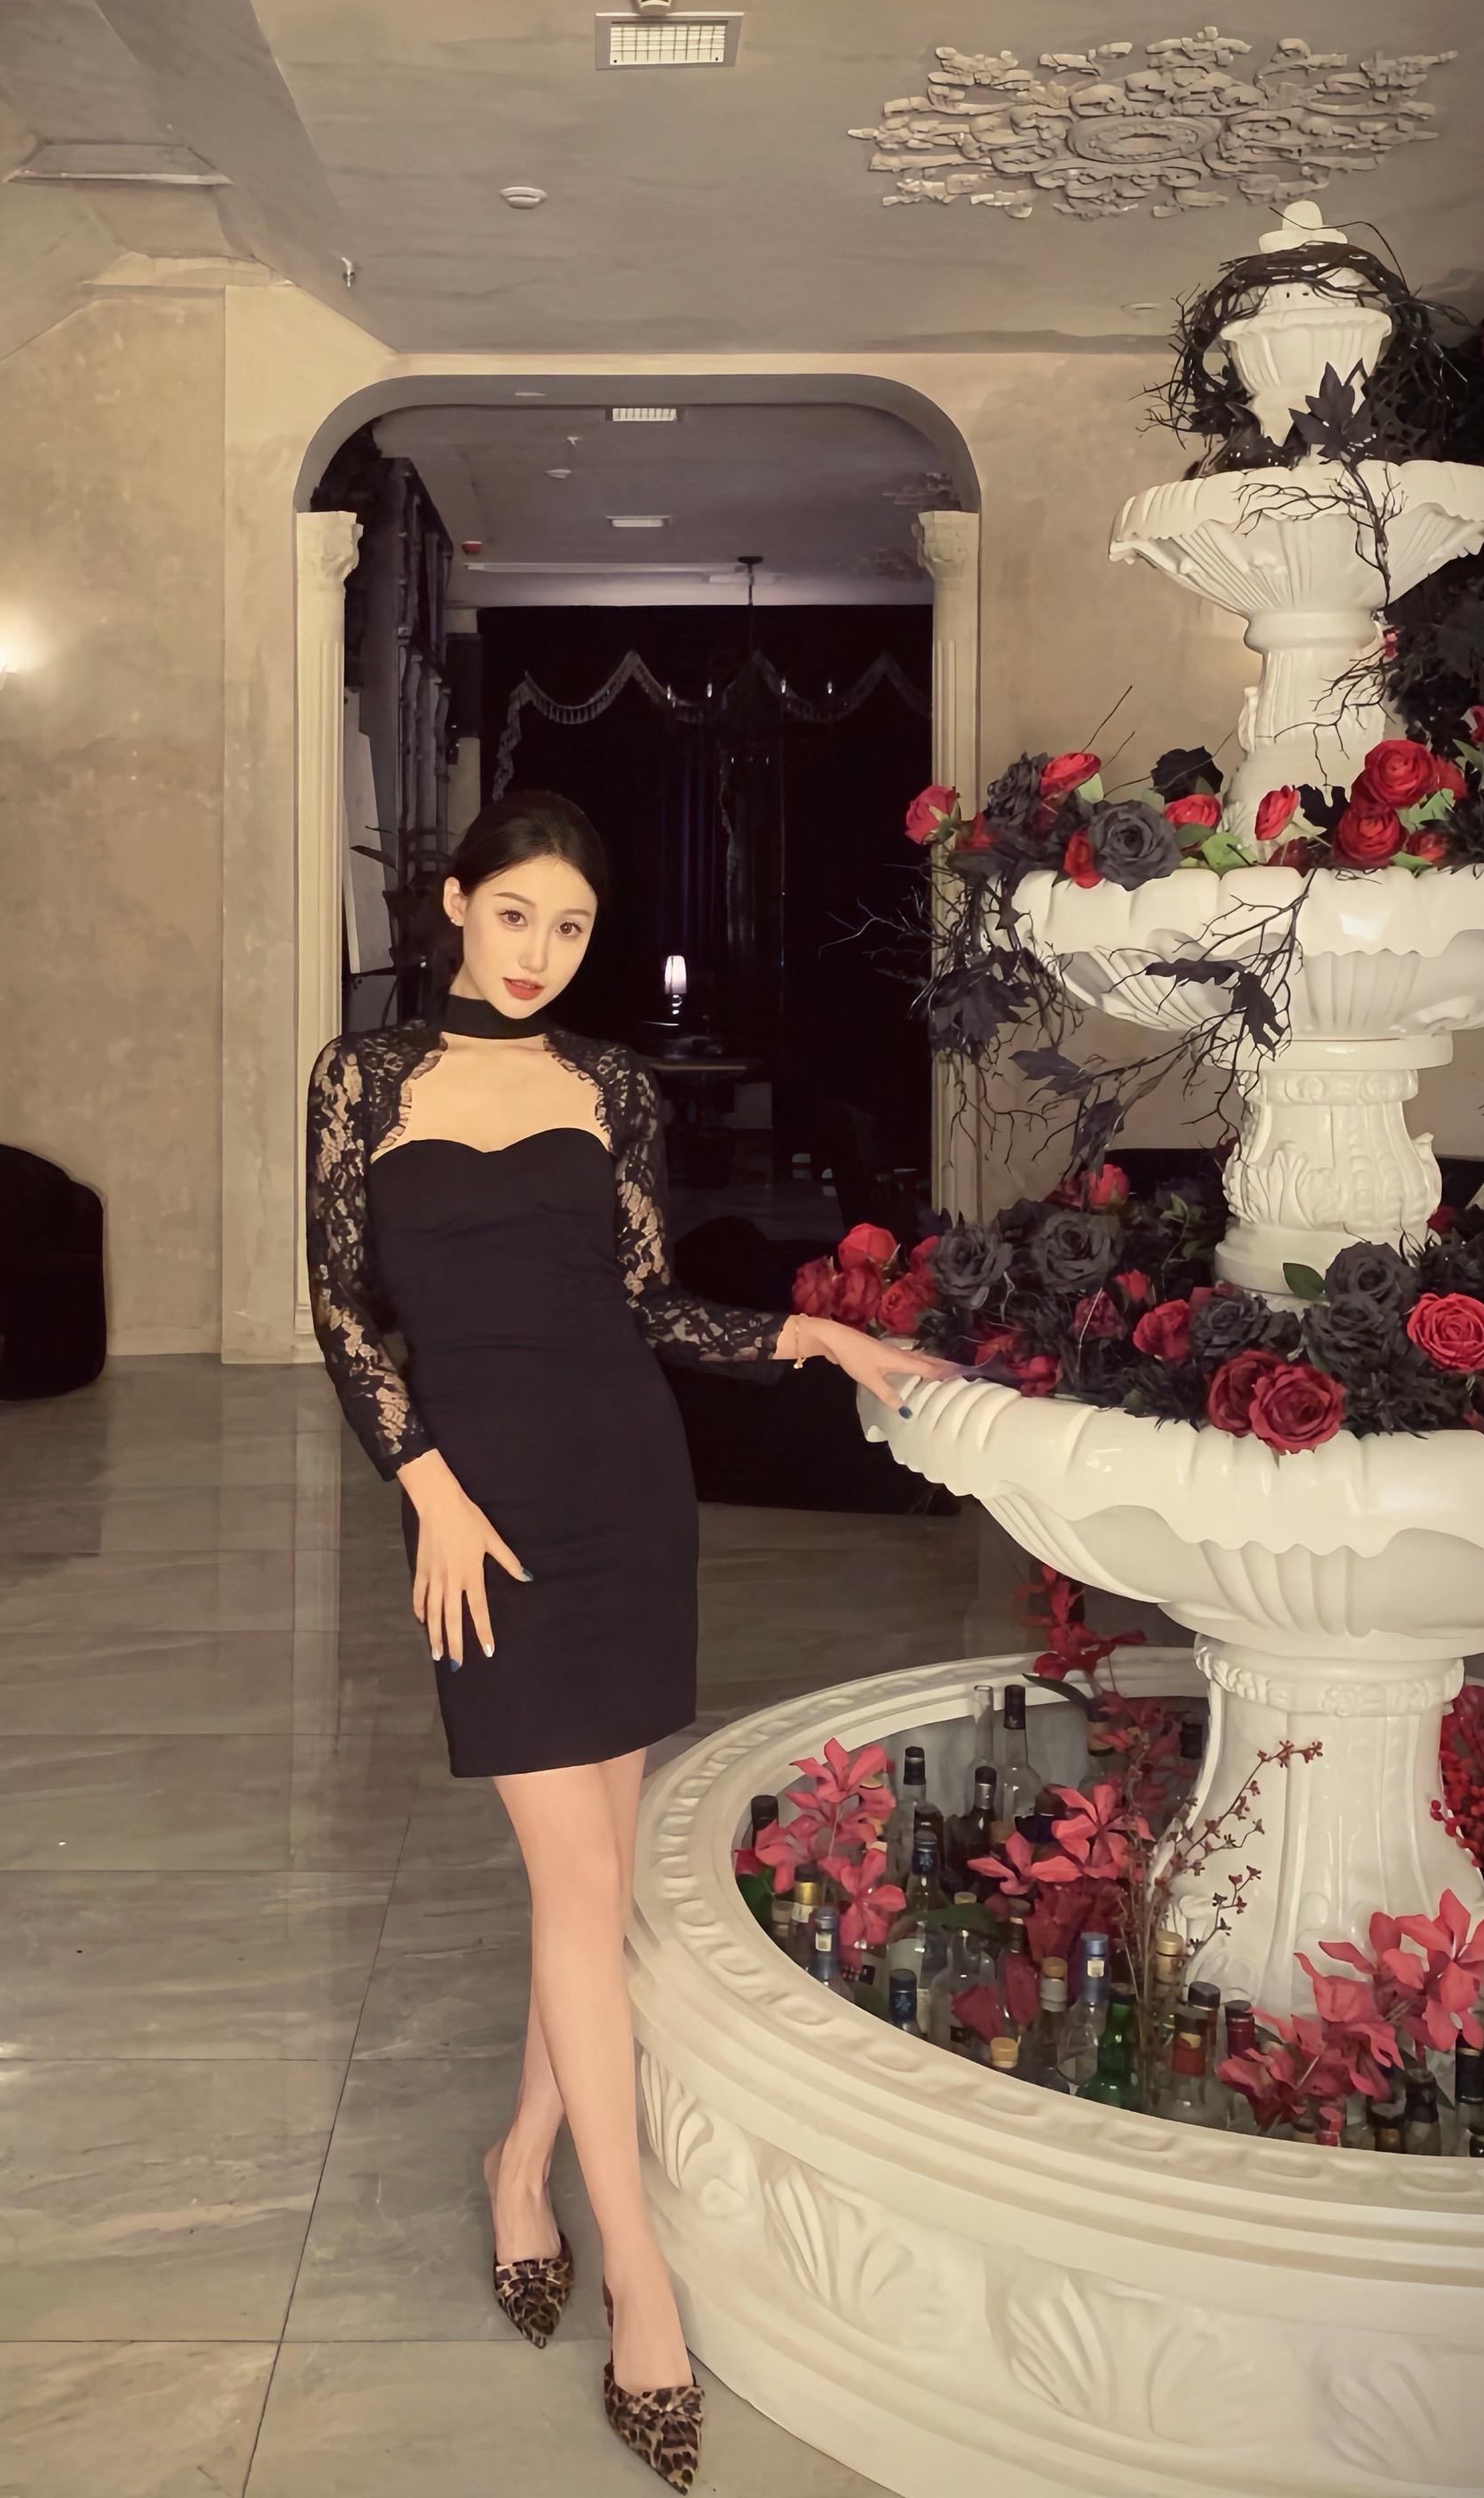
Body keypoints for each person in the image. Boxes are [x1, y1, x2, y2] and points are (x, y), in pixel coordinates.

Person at [304, 790, 954, 2492]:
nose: (540, 952)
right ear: (457, 904)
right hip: (478, 1505)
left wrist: (815, 1336)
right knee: (580, 1884)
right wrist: (427, 1488)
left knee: (585, 1889)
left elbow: (649, 1304)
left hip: (622, 1484)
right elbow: (344, 1309)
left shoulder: (613, 1086)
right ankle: (642, 2287)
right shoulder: (362, 1079)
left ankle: (521, 2166)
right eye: (516, 914)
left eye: (572, 928)